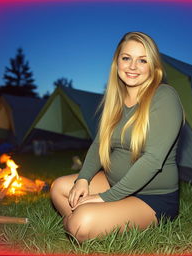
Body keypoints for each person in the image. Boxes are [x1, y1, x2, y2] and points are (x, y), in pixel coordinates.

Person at [50, 31, 184, 243]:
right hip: (113, 182)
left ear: (154, 67)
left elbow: (153, 160)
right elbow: (98, 144)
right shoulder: (115, 102)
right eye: (126, 58)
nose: (132, 66)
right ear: (117, 62)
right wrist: (84, 178)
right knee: (59, 187)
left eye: (142, 60)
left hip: (152, 197)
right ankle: (83, 225)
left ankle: (81, 225)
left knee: (82, 222)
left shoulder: (165, 97)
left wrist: (104, 198)